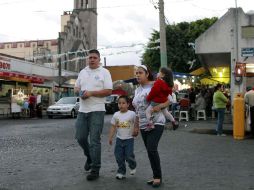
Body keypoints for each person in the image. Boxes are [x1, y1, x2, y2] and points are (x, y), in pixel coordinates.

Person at [74, 49, 113, 181]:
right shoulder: (82, 72)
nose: (92, 59)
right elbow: (76, 87)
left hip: (97, 110)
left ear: (99, 59)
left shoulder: (104, 72)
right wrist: (79, 92)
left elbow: (108, 91)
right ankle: (90, 157)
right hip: (82, 110)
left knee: (95, 140)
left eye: (94, 58)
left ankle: (95, 169)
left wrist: (91, 93)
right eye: (90, 57)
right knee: (80, 137)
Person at [132, 65, 169, 187]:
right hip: (143, 124)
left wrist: (159, 107)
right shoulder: (137, 90)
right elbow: (137, 110)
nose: (137, 75)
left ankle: (158, 177)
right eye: (136, 73)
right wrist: (136, 126)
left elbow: (169, 100)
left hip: (157, 121)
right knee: (149, 150)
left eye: (140, 72)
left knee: (152, 148)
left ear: (147, 74)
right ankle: (155, 176)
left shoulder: (156, 84)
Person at [109, 95, 137, 180]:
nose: (121, 105)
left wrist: (136, 130)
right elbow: (113, 127)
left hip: (129, 139)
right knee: (118, 156)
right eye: (119, 103)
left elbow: (136, 123)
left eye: (123, 103)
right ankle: (121, 172)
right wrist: (110, 137)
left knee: (129, 155)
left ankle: (132, 165)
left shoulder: (132, 114)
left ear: (128, 104)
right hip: (119, 139)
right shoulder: (116, 115)